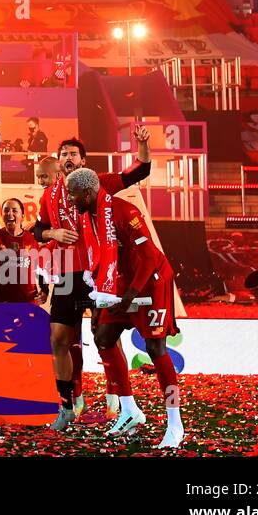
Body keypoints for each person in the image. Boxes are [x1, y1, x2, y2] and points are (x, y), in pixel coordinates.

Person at [34, 127, 151, 427]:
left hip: (101, 274)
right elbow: (37, 230)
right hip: (67, 274)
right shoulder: (49, 195)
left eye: (74, 154)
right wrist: (52, 232)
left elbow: (139, 170)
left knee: (107, 337)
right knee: (58, 339)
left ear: (84, 160)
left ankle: (118, 397)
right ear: (58, 162)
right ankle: (66, 406)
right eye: (64, 155)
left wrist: (142, 144)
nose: (68, 158)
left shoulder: (98, 185)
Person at [65, 168, 184, 448]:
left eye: (73, 193)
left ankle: (175, 424)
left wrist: (131, 293)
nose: (70, 199)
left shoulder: (125, 211)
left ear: (87, 193)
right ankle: (130, 410)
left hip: (152, 282)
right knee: (103, 337)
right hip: (122, 285)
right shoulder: (87, 218)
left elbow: (149, 256)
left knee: (156, 349)